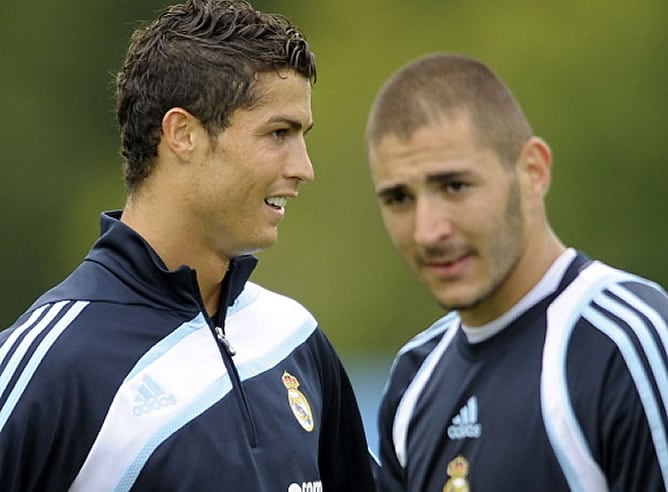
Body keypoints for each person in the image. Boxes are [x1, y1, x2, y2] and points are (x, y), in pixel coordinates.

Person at [0, 1, 375, 490]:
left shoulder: (295, 338)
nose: (304, 168)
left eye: (301, 135)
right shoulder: (53, 362)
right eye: (278, 133)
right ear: (183, 134)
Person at [366, 52, 668, 491]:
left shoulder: (631, 343)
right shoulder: (414, 378)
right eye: (399, 199)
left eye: (455, 186)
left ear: (532, 172)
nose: (428, 231)